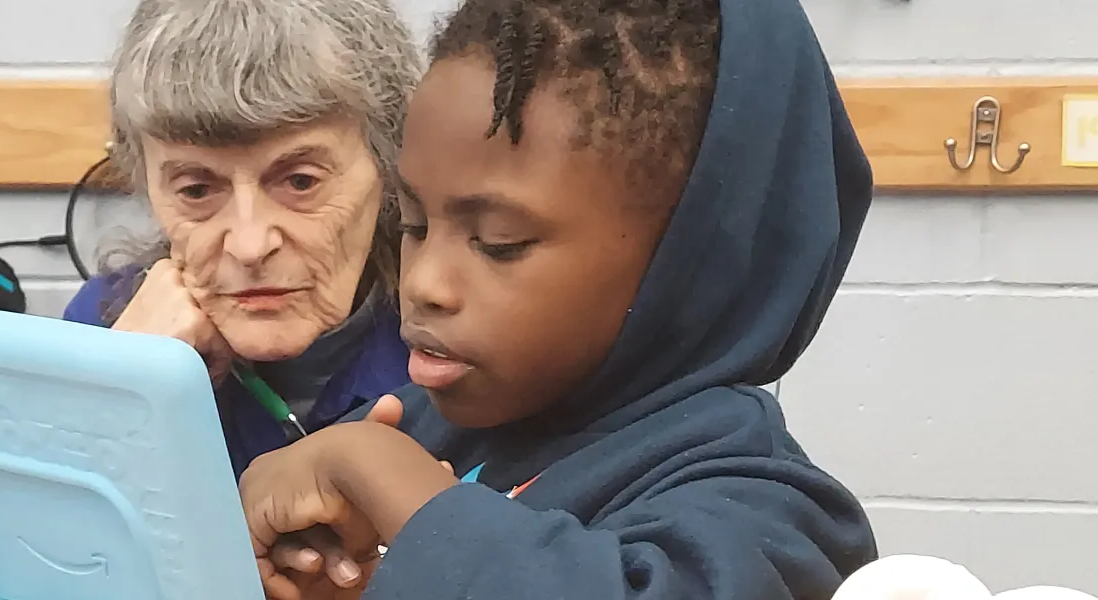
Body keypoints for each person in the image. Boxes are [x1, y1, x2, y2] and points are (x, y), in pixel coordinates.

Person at [237, 0, 880, 598]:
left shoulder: (770, 512)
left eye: (498, 242)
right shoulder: (412, 425)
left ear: (686, 263)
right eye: (413, 225)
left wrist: (383, 478)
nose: (423, 282)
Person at [63, 0, 422, 480]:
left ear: (388, 162)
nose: (250, 246)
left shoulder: (460, 348)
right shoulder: (101, 334)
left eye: (300, 181)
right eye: (197, 190)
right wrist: (122, 400)